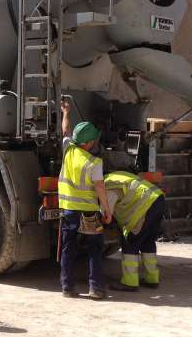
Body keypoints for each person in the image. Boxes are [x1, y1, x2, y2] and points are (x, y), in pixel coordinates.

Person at [58, 100, 112, 299]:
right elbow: (100, 187)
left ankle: (67, 287)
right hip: (89, 211)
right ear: (89, 143)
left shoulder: (68, 150)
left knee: (68, 247)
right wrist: (107, 211)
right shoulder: (94, 162)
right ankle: (95, 288)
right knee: (94, 248)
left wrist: (66, 112)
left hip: (69, 209)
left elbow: (65, 131)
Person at [103, 171, 166, 291]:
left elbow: (107, 214)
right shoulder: (117, 176)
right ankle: (151, 279)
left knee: (130, 242)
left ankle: (130, 282)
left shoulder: (108, 185)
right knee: (148, 242)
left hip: (145, 206)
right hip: (158, 199)